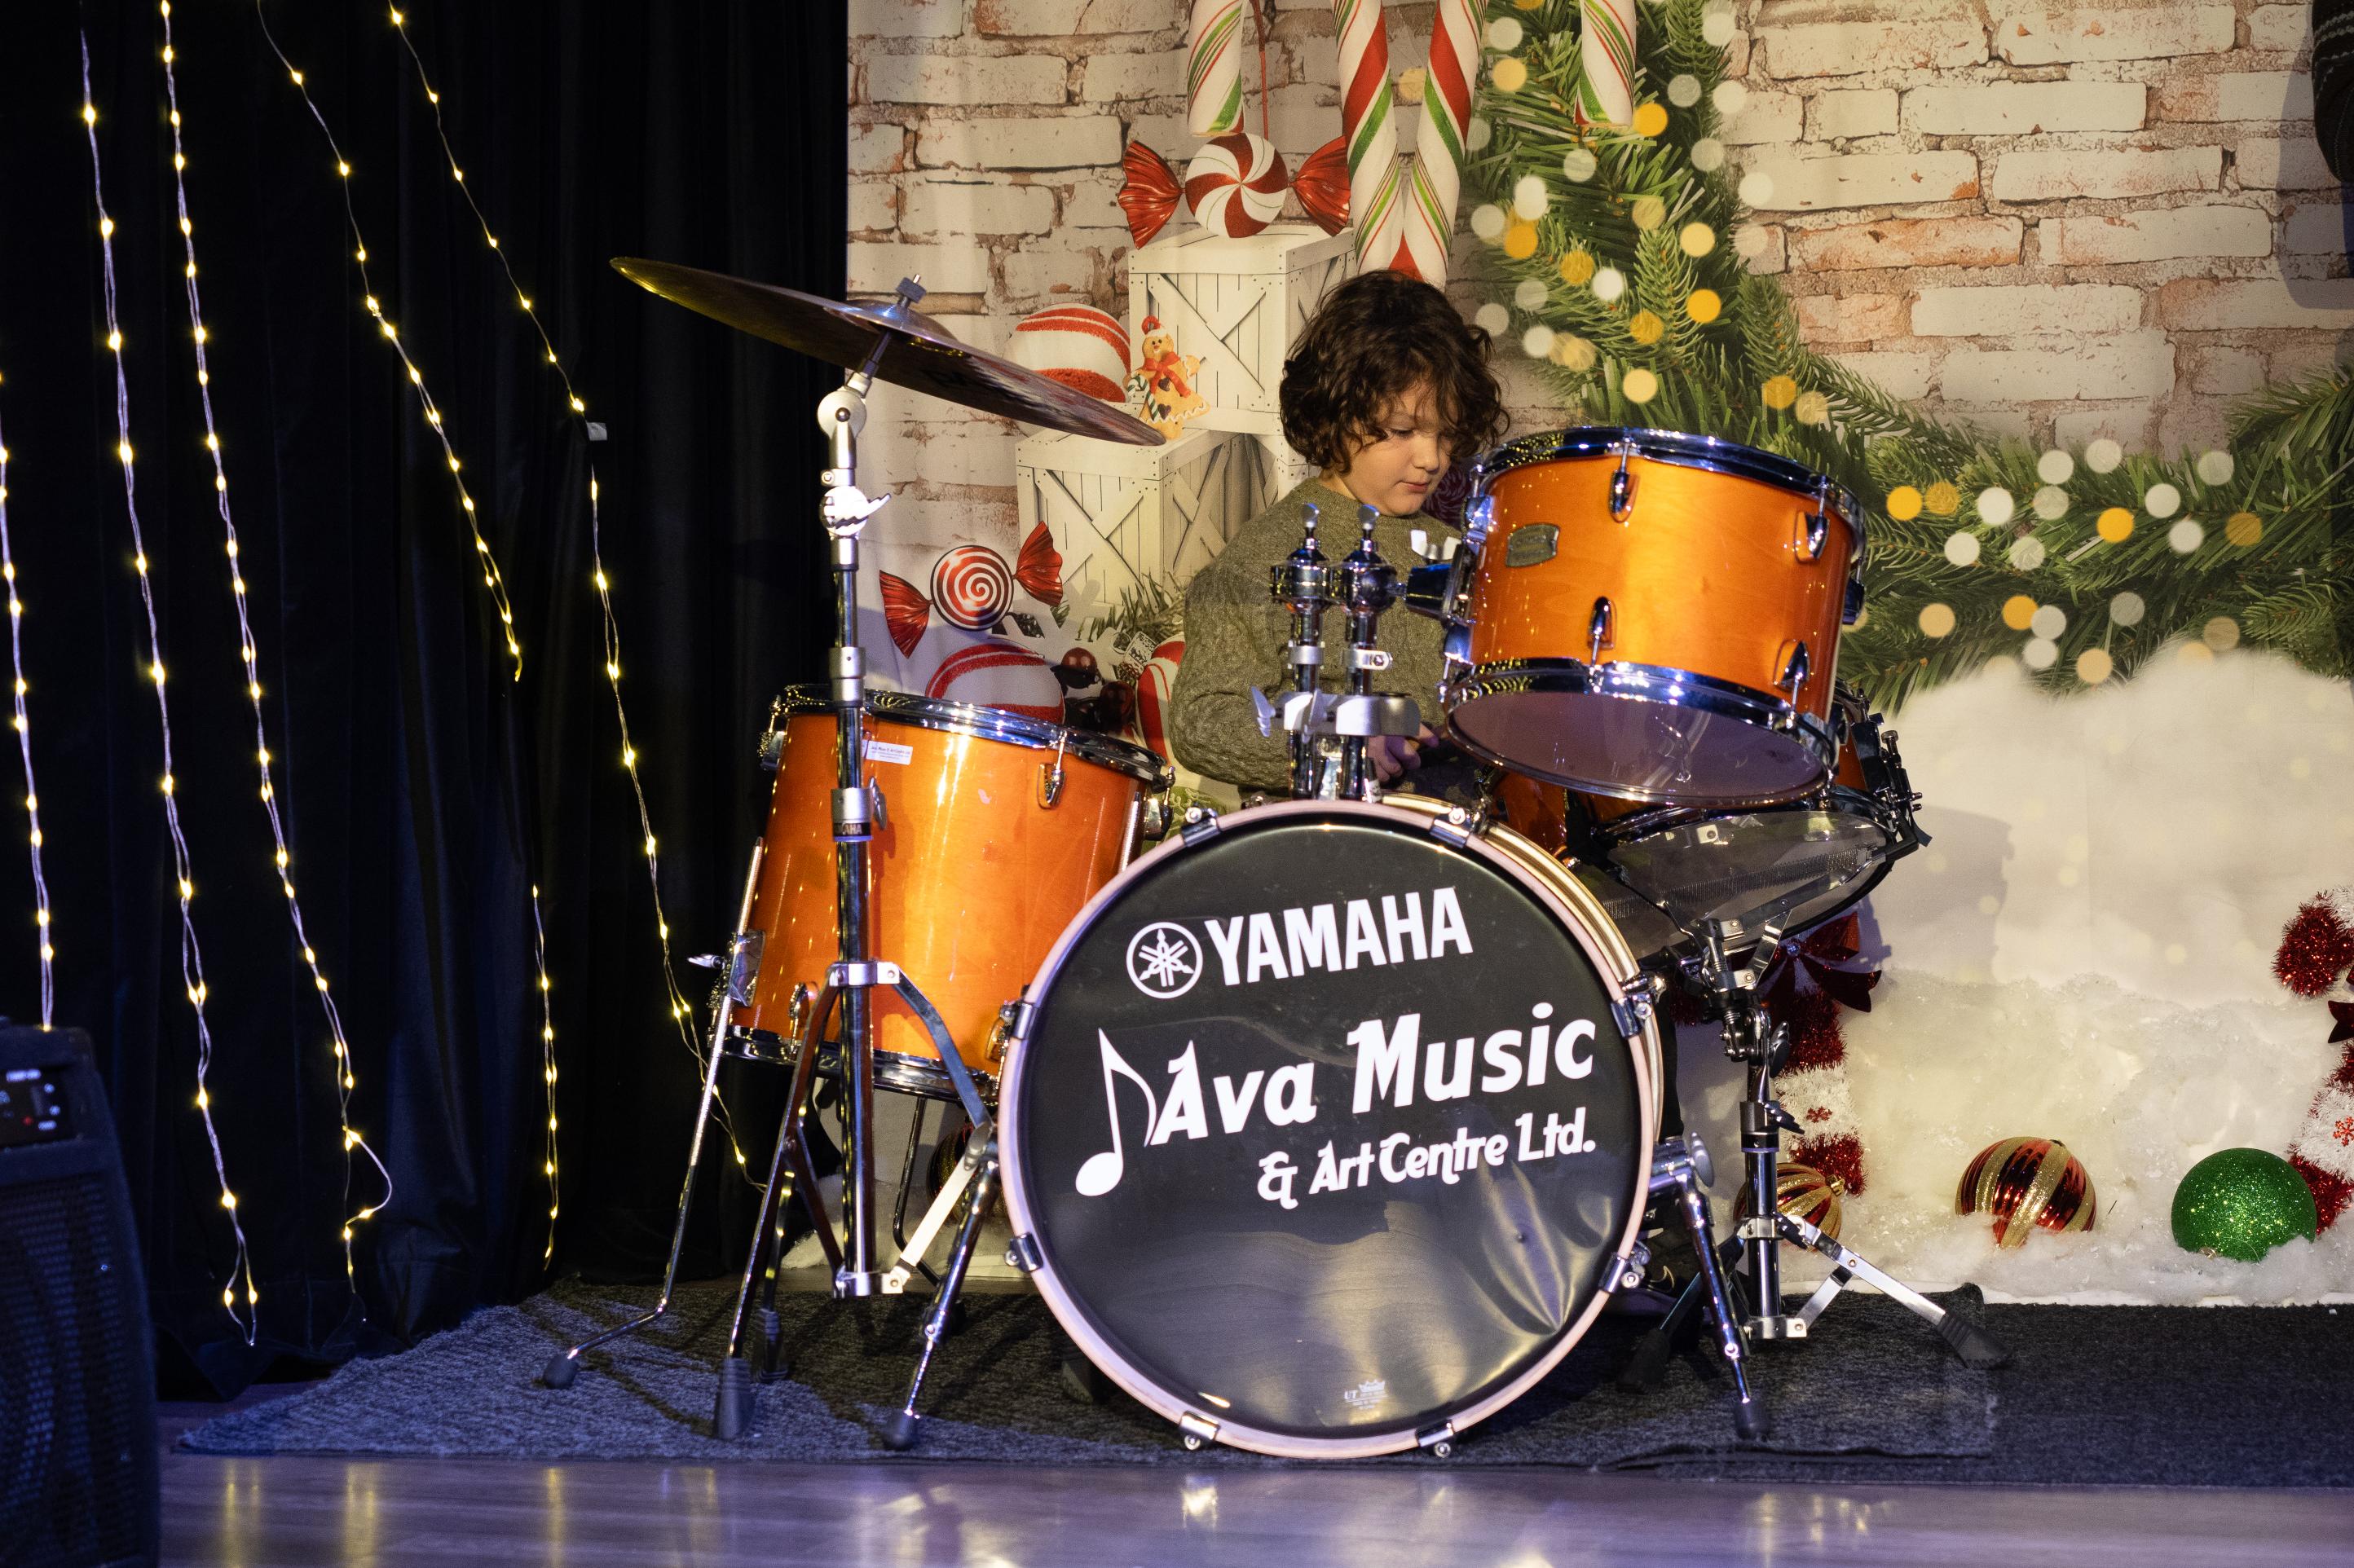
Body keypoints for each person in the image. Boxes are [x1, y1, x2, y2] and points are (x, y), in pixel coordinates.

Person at [1168, 269, 1506, 799]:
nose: (1432, 459)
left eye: (1445, 434)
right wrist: (1333, 743)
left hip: (1465, 837)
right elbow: (1202, 721)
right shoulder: (1263, 561)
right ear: (1337, 413)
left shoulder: (1458, 550)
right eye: (1402, 431)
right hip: (1329, 849)